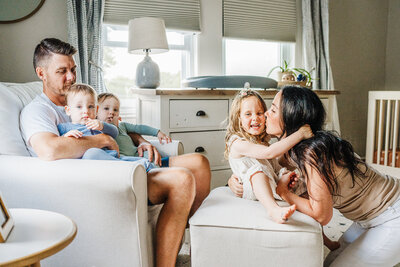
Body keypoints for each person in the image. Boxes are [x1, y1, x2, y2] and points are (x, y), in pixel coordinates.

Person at [20, 38, 211, 267]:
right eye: (62, 71)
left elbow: (114, 125)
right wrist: (100, 140)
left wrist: (141, 141)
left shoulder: (80, 99)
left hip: (119, 160)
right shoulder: (37, 110)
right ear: (41, 73)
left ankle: (188, 244)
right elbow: (50, 149)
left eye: (73, 69)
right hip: (103, 177)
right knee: (182, 179)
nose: (71, 77)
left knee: (199, 163)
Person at [266, 86, 399, 266]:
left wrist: (285, 193)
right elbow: (269, 163)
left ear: (290, 118)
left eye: (273, 109)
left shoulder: (312, 152)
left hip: (392, 215)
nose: (266, 113)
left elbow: (321, 216)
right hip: (366, 218)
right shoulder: (296, 148)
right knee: (329, 263)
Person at [225, 89, 313, 223]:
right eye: (248, 114)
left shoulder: (264, 142)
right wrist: (300, 134)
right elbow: (269, 153)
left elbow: (274, 166)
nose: (255, 117)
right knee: (257, 171)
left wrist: (285, 175)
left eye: (259, 113)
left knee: (302, 182)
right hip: (252, 188)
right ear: (239, 119)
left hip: (272, 183)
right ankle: (273, 209)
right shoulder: (237, 142)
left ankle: (320, 231)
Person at [57, 83, 155, 171]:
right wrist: (66, 136)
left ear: (96, 109)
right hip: (91, 162)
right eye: (79, 107)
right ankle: (131, 168)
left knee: (143, 162)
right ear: (68, 110)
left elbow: (115, 132)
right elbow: (57, 145)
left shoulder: (97, 124)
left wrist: (102, 126)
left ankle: (143, 167)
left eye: (90, 106)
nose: (85, 111)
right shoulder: (64, 127)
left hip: (110, 157)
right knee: (91, 153)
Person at [96, 92, 171, 167]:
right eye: (106, 108)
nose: (112, 112)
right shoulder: (97, 128)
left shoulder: (122, 125)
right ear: (96, 112)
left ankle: (156, 171)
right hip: (124, 158)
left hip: (137, 154)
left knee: (150, 155)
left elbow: (139, 128)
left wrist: (157, 132)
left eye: (115, 110)